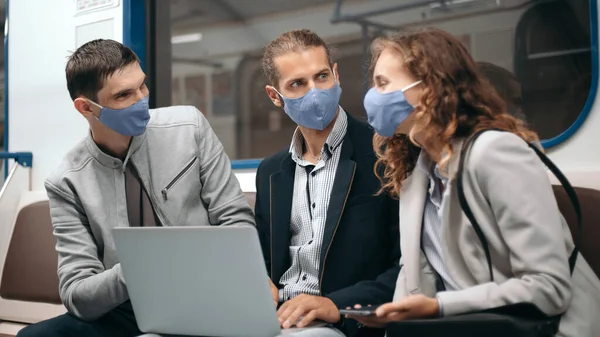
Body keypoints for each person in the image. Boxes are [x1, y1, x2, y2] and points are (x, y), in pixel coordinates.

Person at [346, 28, 600, 336]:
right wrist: (393, 317)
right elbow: (414, 279)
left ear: (429, 87)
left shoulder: (495, 153)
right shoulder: (417, 176)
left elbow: (549, 288)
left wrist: (439, 306)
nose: (372, 97)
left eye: (382, 83)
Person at [17, 39, 255, 337]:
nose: (141, 99)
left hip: (207, 293)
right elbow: (78, 295)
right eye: (123, 95)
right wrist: (139, 269)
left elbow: (238, 222)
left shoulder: (189, 127)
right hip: (128, 306)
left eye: (142, 86)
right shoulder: (67, 181)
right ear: (86, 107)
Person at [254, 29, 401, 337]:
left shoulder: (385, 154)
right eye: (297, 84)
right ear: (274, 96)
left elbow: (407, 267)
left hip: (341, 321)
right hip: (277, 318)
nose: (314, 90)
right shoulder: (270, 172)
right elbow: (266, 264)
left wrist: (336, 304)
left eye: (321, 77)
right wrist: (256, 282)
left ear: (336, 74)